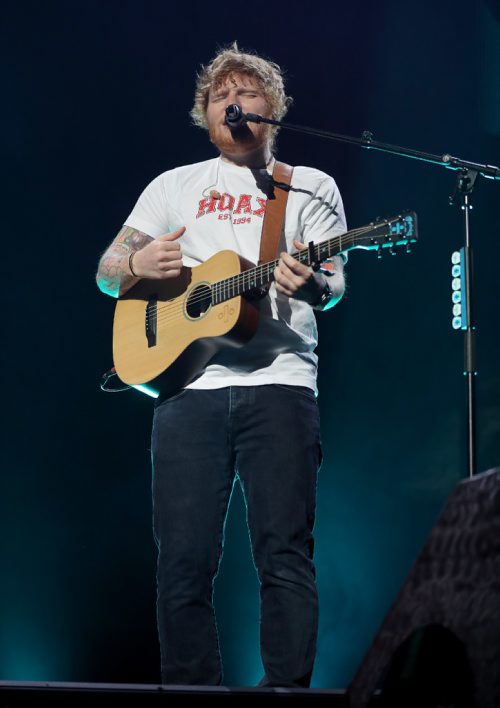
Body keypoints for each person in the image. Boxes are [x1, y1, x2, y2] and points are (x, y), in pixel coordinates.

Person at [96, 43, 347, 688]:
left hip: (281, 385)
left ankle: (287, 692)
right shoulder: (173, 187)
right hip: (187, 389)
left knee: (284, 555)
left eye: (247, 93)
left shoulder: (310, 185)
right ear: (207, 115)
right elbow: (105, 272)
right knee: (182, 562)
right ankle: (191, 691)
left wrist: (309, 284)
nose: (231, 103)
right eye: (218, 96)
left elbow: (333, 280)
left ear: (273, 110)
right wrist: (134, 267)